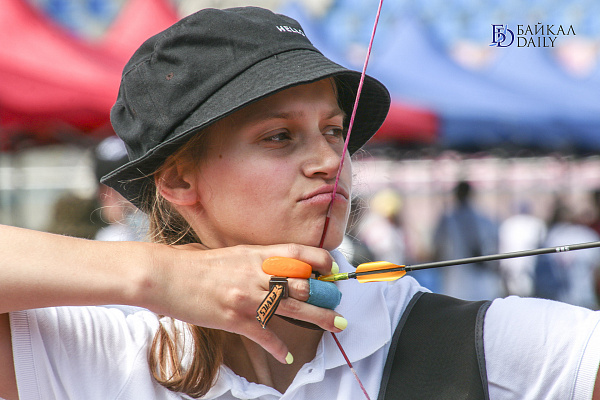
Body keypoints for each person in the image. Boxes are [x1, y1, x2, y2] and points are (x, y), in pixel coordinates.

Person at [1, 7, 599, 400]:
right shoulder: (108, 357)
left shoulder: (482, 343)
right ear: (179, 180)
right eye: (279, 136)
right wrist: (163, 276)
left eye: (334, 131)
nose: (330, 160)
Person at [433, 180, 504, 300]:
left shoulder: (448, 220)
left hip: (456, 286)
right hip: (480, 287)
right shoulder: (483, 219)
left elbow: (436, 249)